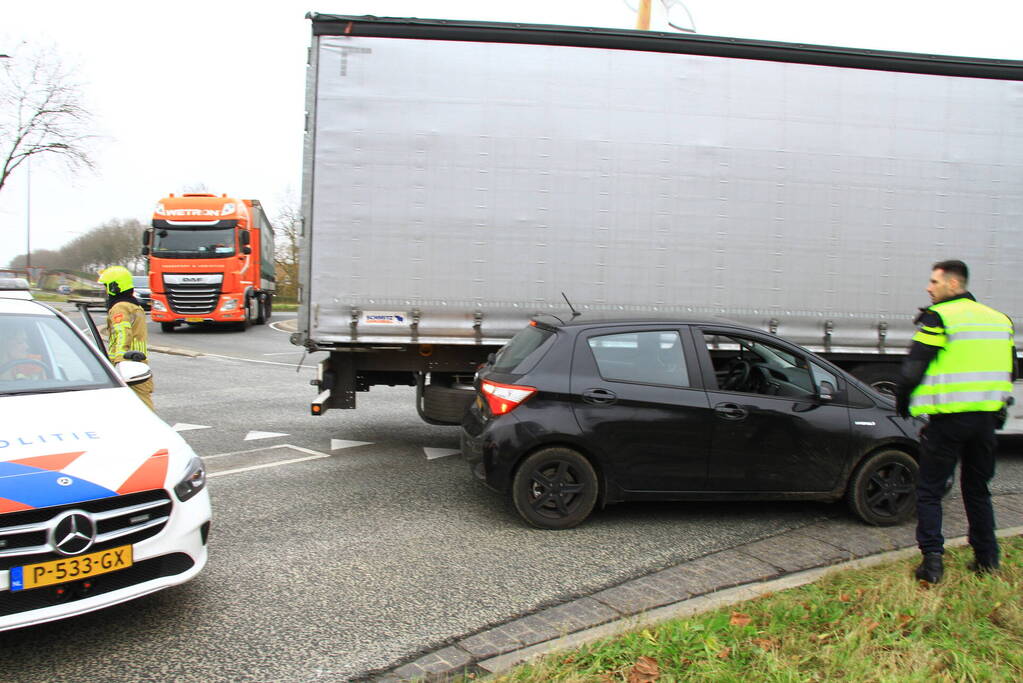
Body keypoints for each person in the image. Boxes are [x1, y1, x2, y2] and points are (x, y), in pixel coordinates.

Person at [895, 260, 1015, 583]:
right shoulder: (1000, 320)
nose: (928, 287)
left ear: (953, 284)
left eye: (934, 281)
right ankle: (987, 560)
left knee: (930, 490)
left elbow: (912, 370)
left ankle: (932, 565)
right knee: (977, 490)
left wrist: (903, 401)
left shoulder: (941, 317)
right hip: (985, 422)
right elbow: (1011, 372)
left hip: (948, 422)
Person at [98, 266, 154, 411]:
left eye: (106, 286)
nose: (105, 291)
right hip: (138, 362)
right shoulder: (133, 305)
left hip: (127, 365)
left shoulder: (120, 307)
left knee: (142, 409)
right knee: (140, 405)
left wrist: (119, 360)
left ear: (114, 287)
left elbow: (122, 332)